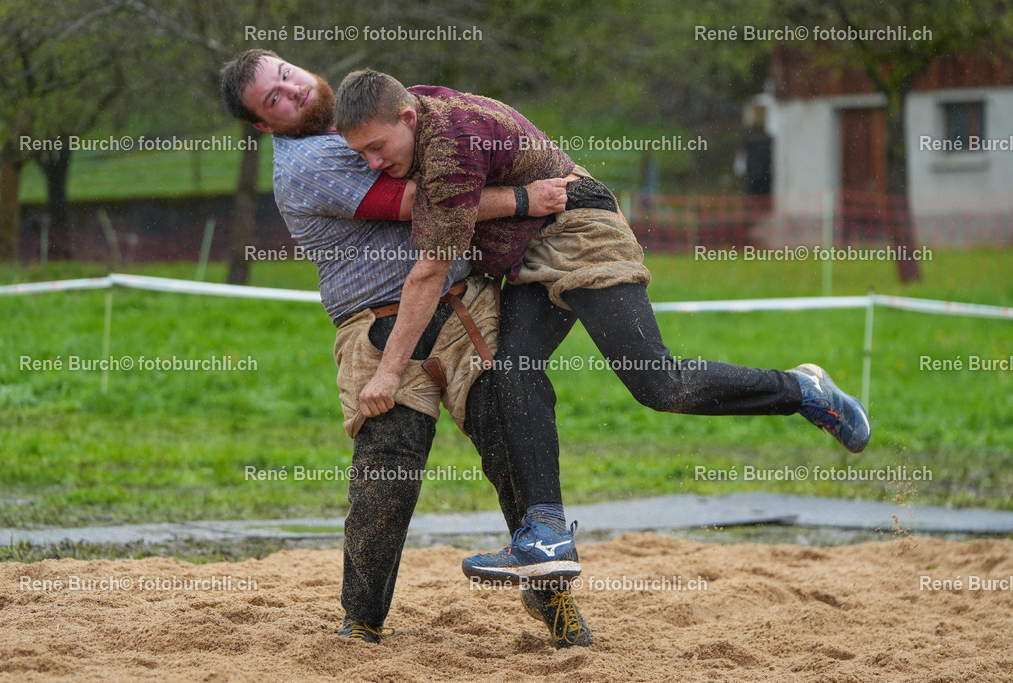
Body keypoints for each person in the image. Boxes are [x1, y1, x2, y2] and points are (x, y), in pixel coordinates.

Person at [331, 69, 872, 583]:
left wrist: (387, 373)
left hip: (581, 230)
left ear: (407, 118)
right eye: (361, 154)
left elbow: (427, 273)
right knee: (513, 370)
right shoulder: (418, 108)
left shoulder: (448, 145)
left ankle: (803, 389)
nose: (373, 162)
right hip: (529, 249)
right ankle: (546, 532)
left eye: (377, 148)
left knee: (658, 384)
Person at [219, 49, 593, 649]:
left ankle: (552, 599)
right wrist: (527, 198)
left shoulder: (370, 118)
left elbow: (454, 172)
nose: (292, 92)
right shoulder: (307, 163)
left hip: (464, 305)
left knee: (513, 442)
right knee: (387, 472)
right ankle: (361, 621)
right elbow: (423, 203)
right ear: (265, 126)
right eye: (273, 100)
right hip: (378, 325)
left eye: (286, 75)